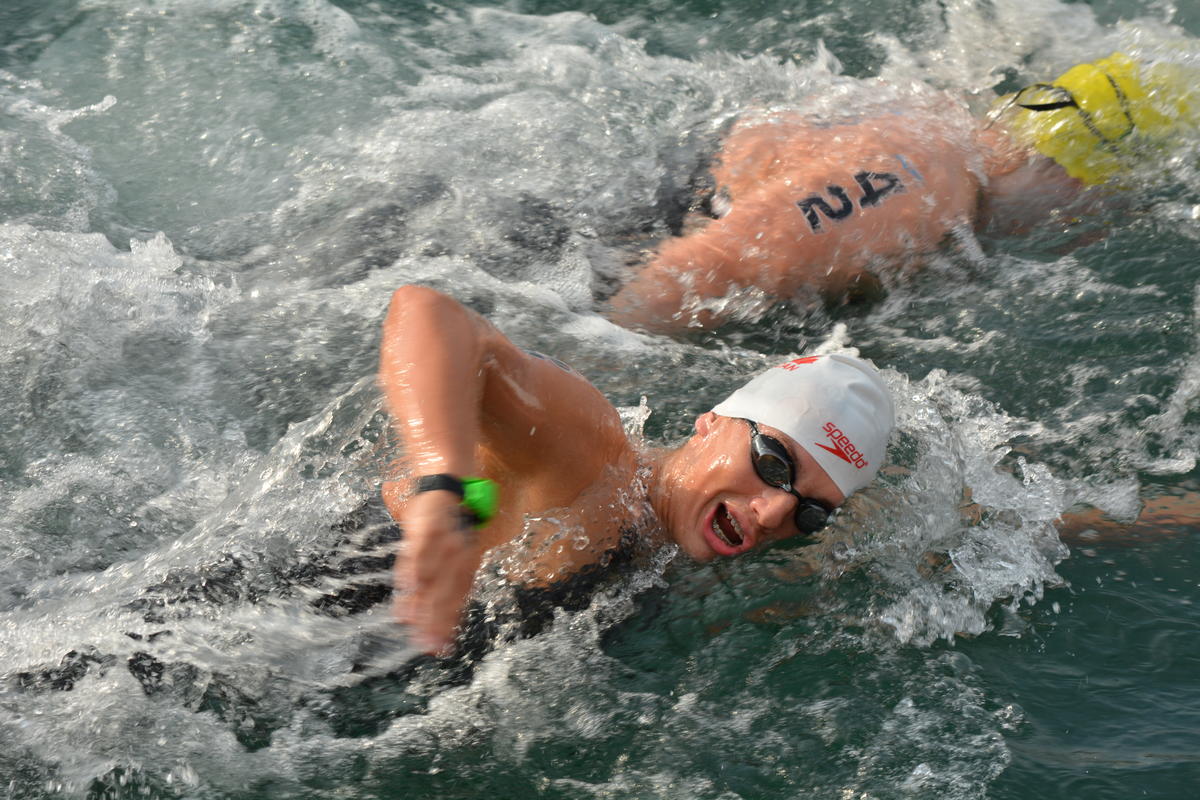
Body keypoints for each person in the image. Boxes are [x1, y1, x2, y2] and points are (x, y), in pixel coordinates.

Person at [378, 284, 894, 653]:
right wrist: (441, 487)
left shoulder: (685, 545)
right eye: (772, 462)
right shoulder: (592, 460)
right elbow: (429, 312)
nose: (776, 510)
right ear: (711, 423)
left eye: (811, 513)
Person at [608, 52, 1198, 333]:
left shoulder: (952, 158)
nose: (1089, 234)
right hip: (608, 262)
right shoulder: (916, 180)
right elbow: (692, 274)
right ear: (1071, 178)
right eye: (1103, 209)